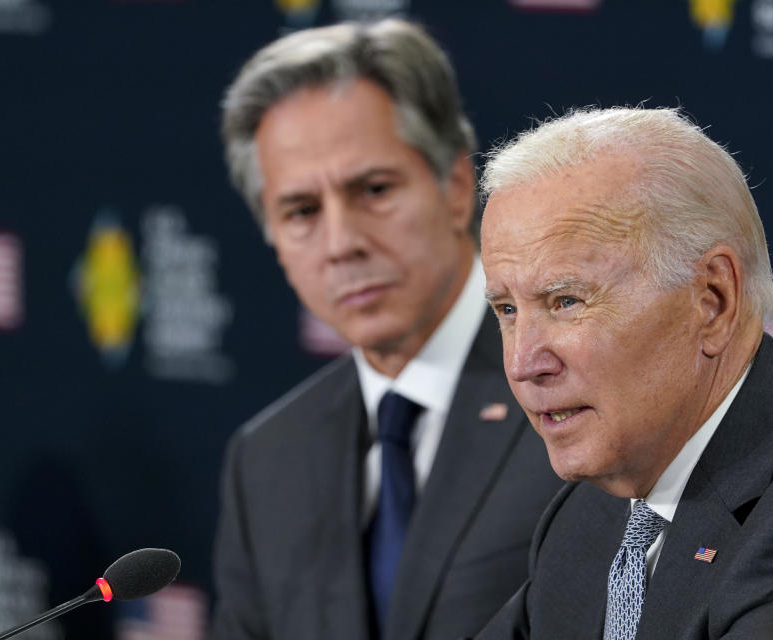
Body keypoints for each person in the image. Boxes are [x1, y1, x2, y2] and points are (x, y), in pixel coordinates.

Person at [473, 106, 773, 639]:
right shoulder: (591, 513)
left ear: (712, 300)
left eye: (565, 301)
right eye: (507, 311)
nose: (523, 363)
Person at [211, 20, 561, 640]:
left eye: (373, 190)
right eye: (301, 211)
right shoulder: (267, 460)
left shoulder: (574, 391)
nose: (342, 243)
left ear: (455, 188)